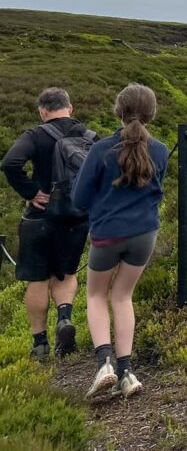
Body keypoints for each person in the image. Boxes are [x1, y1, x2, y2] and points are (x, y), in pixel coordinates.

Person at [72, 84, 169, 400]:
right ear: (151, 114)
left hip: (107, 234)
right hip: (144, 235)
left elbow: (79, 198)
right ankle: (127, 372)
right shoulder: (161, 150)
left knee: (96, 295)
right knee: (123, 296)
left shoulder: (101, 151)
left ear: (119, 110)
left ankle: (105, 364)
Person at [1, 87, 93, 360]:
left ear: (42, 111)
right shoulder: (88, 136)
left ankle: (39, 343)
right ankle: (64, 317)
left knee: (37, 279)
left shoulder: (35, 135)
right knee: (66, 273)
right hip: (75, 216)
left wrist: (31, 192)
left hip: (39, 218)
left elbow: (10, 163)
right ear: (70, 107)